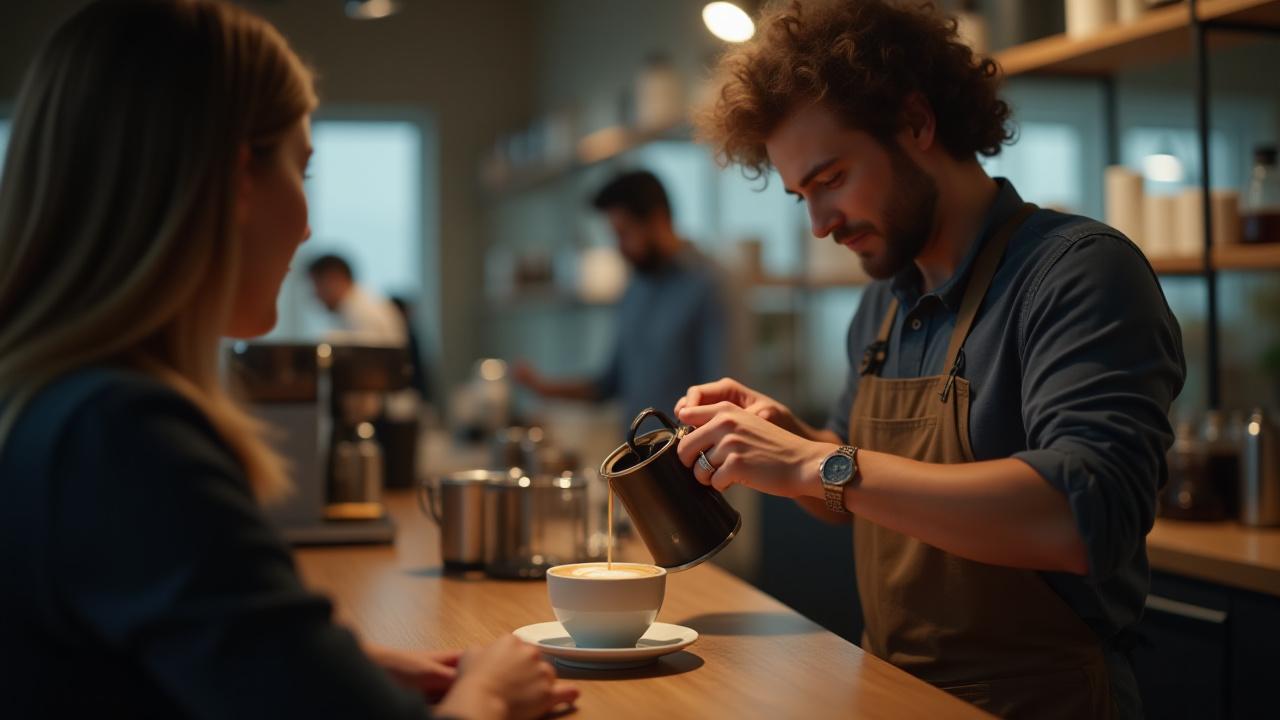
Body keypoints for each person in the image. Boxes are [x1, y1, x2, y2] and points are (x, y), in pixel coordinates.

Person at [0, 2, 575, 718]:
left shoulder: (49, 406)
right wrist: (492, 690)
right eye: (301, 167)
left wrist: (324, 664)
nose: (306, 224)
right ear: (237, 178)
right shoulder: (125, 438)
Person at [676, 2, 1184, 718]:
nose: (819, 225)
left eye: (831, 179)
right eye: (800, 196)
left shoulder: (1077, 273)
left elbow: (1083, 515)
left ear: (917, 124)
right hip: (891, 692)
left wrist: (812, 464)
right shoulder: (885, 301)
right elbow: (850, 496)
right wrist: (793, 440)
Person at [515, 170, 730, 434]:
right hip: (636, 459)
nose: (618, 246)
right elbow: (608, 384)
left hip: (689, 464)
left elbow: (723, 401)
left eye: (623, 233)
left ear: (658, 219)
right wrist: (544, 388)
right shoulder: (635, 289)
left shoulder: (708, 285)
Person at [308, 253, 408, 346]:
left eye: (316, 285)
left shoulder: (363, 312)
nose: (315, 294)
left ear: (332, 279)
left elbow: (367, 360)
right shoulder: (355, 306)